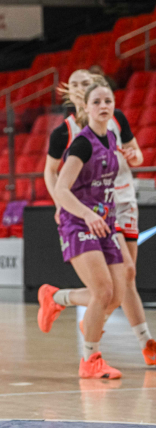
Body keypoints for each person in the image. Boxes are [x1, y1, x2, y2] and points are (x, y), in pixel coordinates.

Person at [41, 69, 155, 367]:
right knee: (107, 287)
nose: (83, 88)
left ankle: (73, 307)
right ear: (75, 95)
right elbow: (55, 177)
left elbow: (136, 155)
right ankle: (107, 348)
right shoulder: (72, 135)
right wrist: (63, 204)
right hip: (84, 213)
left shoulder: (114, 126)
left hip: (115, 207)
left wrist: (134, 157)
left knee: (121, 284)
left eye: (107, 99)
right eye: (76, 84)